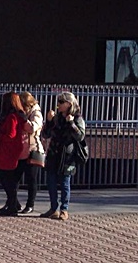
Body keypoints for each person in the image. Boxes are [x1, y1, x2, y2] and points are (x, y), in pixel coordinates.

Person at [40, 92, 86, 221]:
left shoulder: (77, 118)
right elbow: (45, 135)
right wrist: (48, 121)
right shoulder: (57, 118)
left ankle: (64, 209)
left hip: (67, 155)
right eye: (58, 102)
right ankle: (53, 208)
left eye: (61, 102)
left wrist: (71, 124)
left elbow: (80, 136)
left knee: (65, 182)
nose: (58, 105)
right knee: (51, 181)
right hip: (54, 152)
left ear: (69, 104)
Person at [0, 92, 27, 217]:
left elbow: (10, 135)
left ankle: (12, 205)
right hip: (13, 149)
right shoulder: (20, 115)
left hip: (8, 150)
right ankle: (13, 203)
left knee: (6, 178)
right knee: (10, 179)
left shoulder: (12, 117)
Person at [16, 91, 44, 214]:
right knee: (14, 177)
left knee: (31, 178)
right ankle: (13, 202)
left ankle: (30, 204)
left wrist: (24, 120)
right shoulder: (22, 113)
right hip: (21, 150)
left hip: (33, 149)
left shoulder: (36, 113)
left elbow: (33, 128)